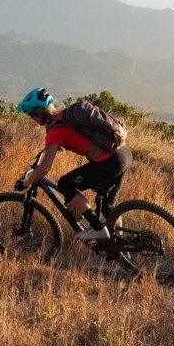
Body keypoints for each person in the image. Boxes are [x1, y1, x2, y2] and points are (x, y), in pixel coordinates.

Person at [14, 88, 132, 241]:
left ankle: (97, 229)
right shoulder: (67, 116)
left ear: (39, 114)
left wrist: (26, 183)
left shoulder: (55, 132)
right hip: (124, 154)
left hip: (111, 162)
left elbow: (44, 168)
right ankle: (120, 249)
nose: (33, 120)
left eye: (31, 116)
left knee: (65, 184)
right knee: (107, 206)